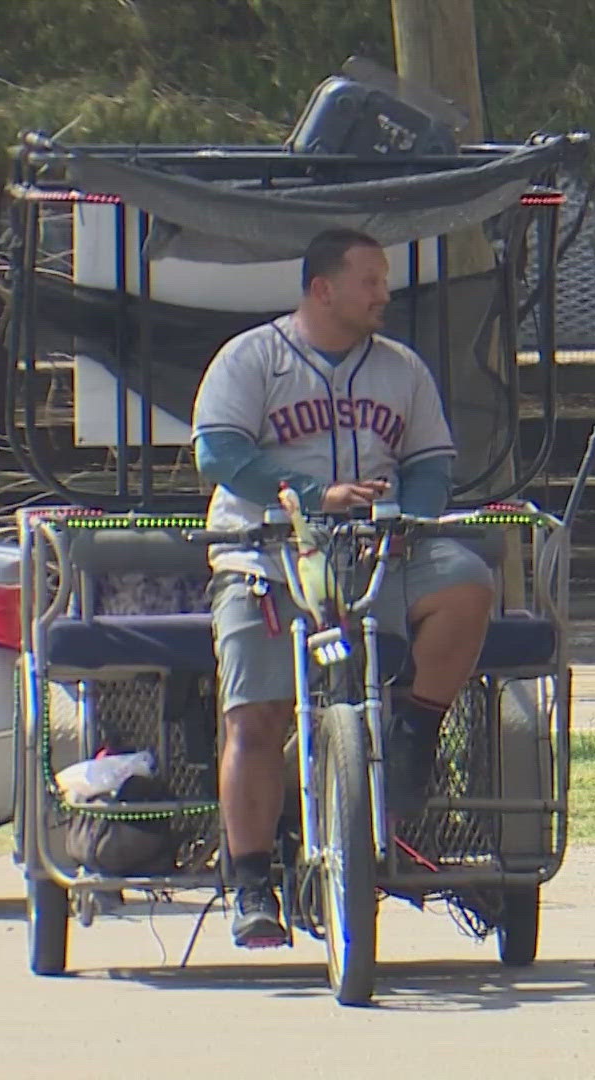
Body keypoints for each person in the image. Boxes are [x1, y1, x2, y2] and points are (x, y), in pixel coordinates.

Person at [191, 228, 496, 948]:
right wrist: (311, 493)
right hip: (266, 552)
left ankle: (413, 730)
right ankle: (251, 883)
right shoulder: (253, 357)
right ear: (323, 288)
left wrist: (408, 516)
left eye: (384, 281)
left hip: (378, 548)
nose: (383, 294)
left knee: (467, 582)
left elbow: (429, 460)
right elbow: (220, 451)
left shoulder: (401, 369)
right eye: (370, 281)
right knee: (255, 719)